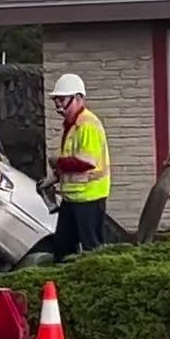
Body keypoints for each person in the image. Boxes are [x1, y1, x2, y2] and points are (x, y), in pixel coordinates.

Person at [49, 73, 110, 262]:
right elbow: (73, 161)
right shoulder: (72, 125)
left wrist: (57, 162)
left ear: (77, 98)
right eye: (56, 99)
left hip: (89, 197)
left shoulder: (87, 125)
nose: (58, 104)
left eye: (62, 99)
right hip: (74, 197)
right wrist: (54, 177)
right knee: (63, 250)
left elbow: (86, 162)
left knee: (91, 251)